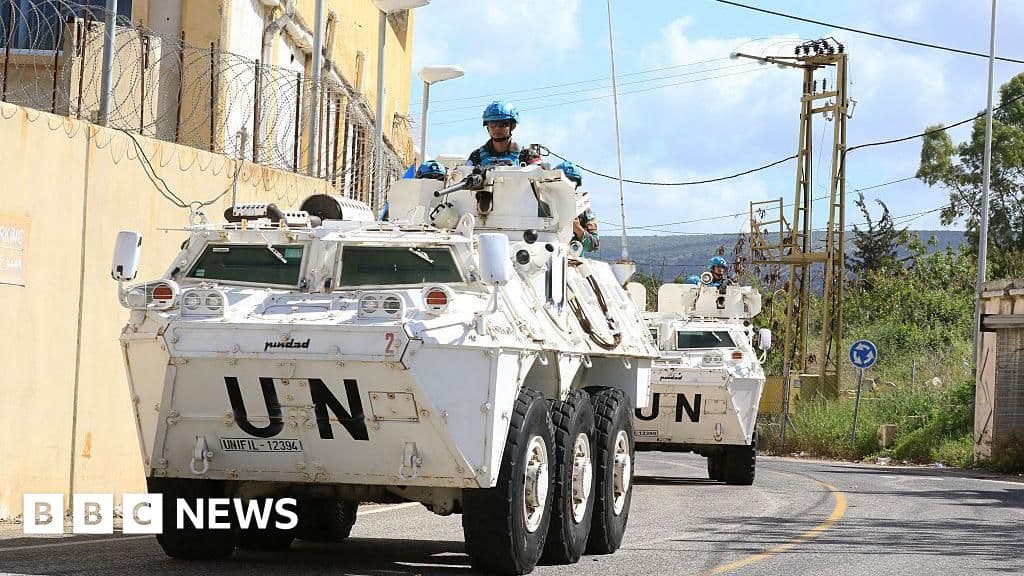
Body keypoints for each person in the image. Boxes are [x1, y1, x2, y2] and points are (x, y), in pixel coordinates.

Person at [555, 161, 600, 252]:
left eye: (572, 181)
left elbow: (593, 245)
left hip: (572, 261)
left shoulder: (582, 209)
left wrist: (577, 228)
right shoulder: (544, 203)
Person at [468, 100, 528, 167]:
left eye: (502, 124)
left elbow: (540, 173)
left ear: (513, 126)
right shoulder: (477, 156)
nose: (497, 128)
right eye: (493, 125)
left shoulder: (525, 155)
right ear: (487, 127)